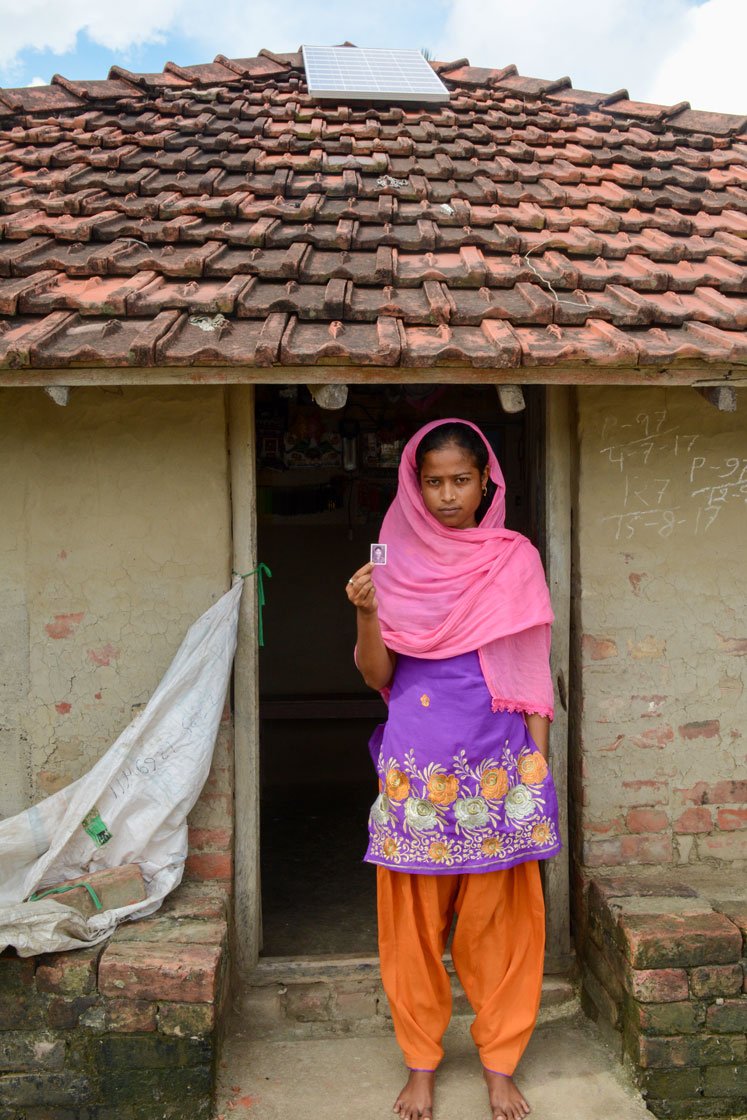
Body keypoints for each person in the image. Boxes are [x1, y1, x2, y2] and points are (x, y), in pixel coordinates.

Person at [345, 418, 561, 1120]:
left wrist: (537, 766)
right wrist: (366, 615)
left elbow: (529, 670)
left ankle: (499, 1062)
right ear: (412, 484)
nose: (445, 496)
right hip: (415, 765)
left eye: (459, 480)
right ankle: (420, 1064)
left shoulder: (512, 557)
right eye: (431, 481)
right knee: (408, 928)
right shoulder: (390, 564)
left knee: (499, 924)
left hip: (496, 761)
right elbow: (376, 674)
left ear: (485, 483)